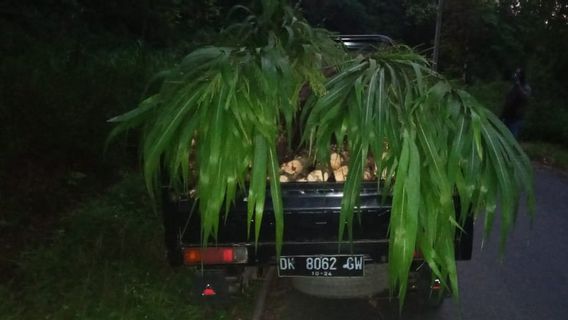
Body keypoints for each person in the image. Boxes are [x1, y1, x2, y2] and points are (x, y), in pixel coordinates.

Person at [500, 68, 531, 138]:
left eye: (518, 74)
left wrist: (518, 85)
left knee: (512, 140)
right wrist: (502, 115)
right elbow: (507, 101)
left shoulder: (526, 87)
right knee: (504, 139)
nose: (516, 76)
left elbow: (524, 97)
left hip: (516, 119)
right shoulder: (512, 87)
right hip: (507, 117)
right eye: (516, 74)